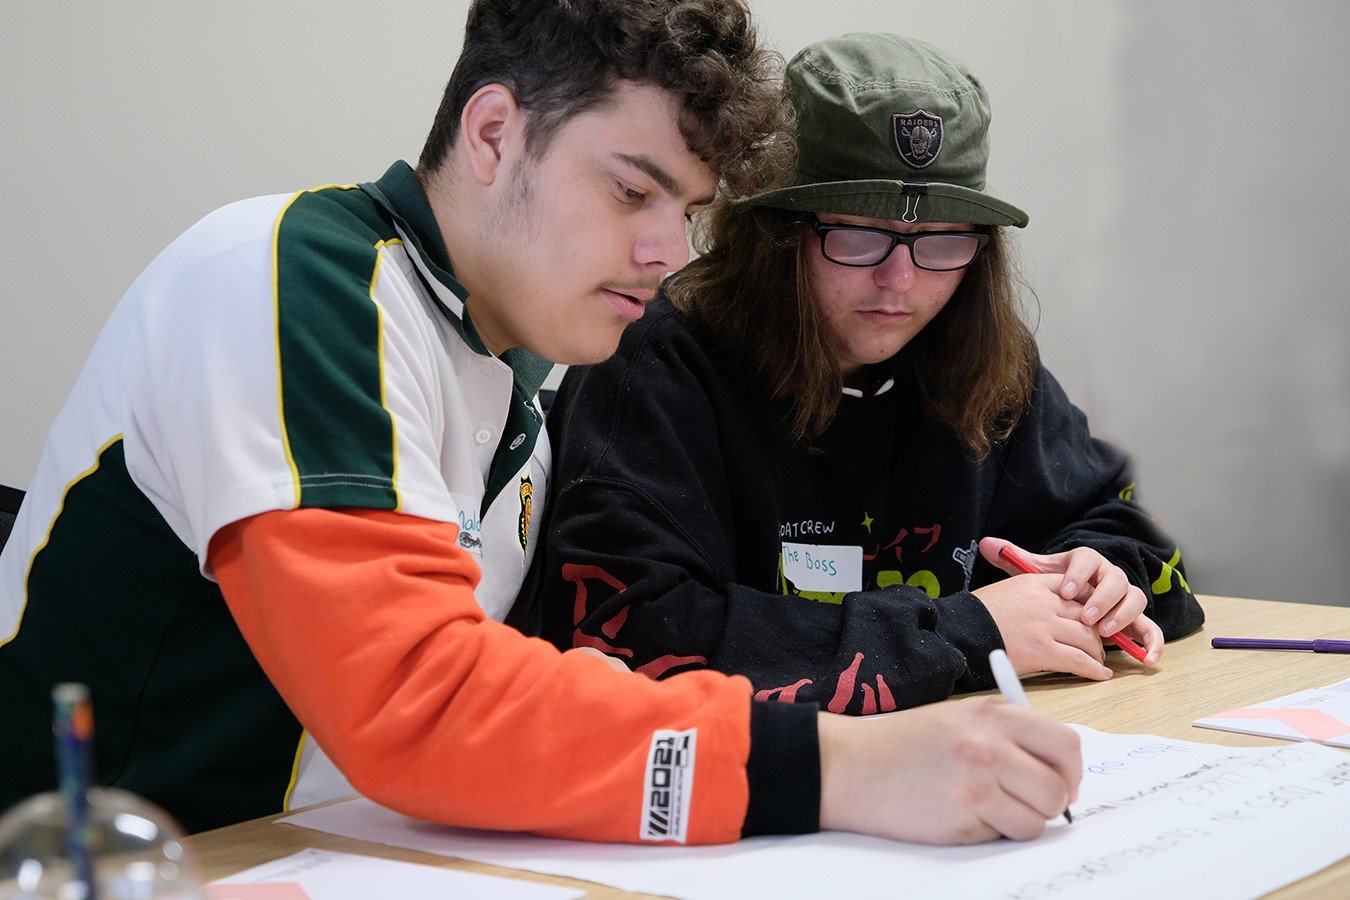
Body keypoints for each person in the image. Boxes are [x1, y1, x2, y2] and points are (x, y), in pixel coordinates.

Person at [0, 6, 1081, 847]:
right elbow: (419, 706)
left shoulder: (513, 376)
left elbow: (541, 691)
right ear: (493, 132)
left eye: (689, 211)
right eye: (631, 192)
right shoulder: (287, 279)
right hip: (136, 865)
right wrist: (847, 769)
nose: (668, 250)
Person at [540, 33, 1205, 717]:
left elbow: (1138, 541)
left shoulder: (981, 359)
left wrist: (1104, 575)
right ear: (775, 232)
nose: (901, 281)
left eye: (944, 240)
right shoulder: (655, 366)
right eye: (857, 236)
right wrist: (970, 634)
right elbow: (631, 635)